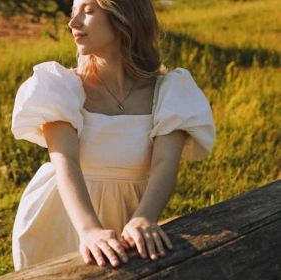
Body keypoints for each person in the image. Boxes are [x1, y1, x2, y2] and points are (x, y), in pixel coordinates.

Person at [11, 0, 215, 271]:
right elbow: (65, 161)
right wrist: (89, 230)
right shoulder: (63, 87)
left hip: (129, 214)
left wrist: (144, 218)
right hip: (65, 217)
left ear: (123, 16)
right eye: (73, 12)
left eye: (87, 11)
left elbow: (165, 165)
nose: (73, 23)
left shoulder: (169, 91)